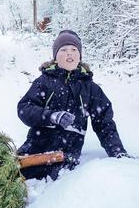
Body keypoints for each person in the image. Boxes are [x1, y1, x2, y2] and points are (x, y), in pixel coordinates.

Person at [17, 30, 129, 180]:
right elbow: (24, 108)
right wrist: (52, 116)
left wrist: (117, 151)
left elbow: (105, 124)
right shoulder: (44, 82)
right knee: (7, 180)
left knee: (52, 189)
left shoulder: (90, 88)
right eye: (63, 50)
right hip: (35, 149)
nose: (69, 53)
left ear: (80, 56)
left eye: (74, 50)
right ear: (55, 57)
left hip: (66, 157)